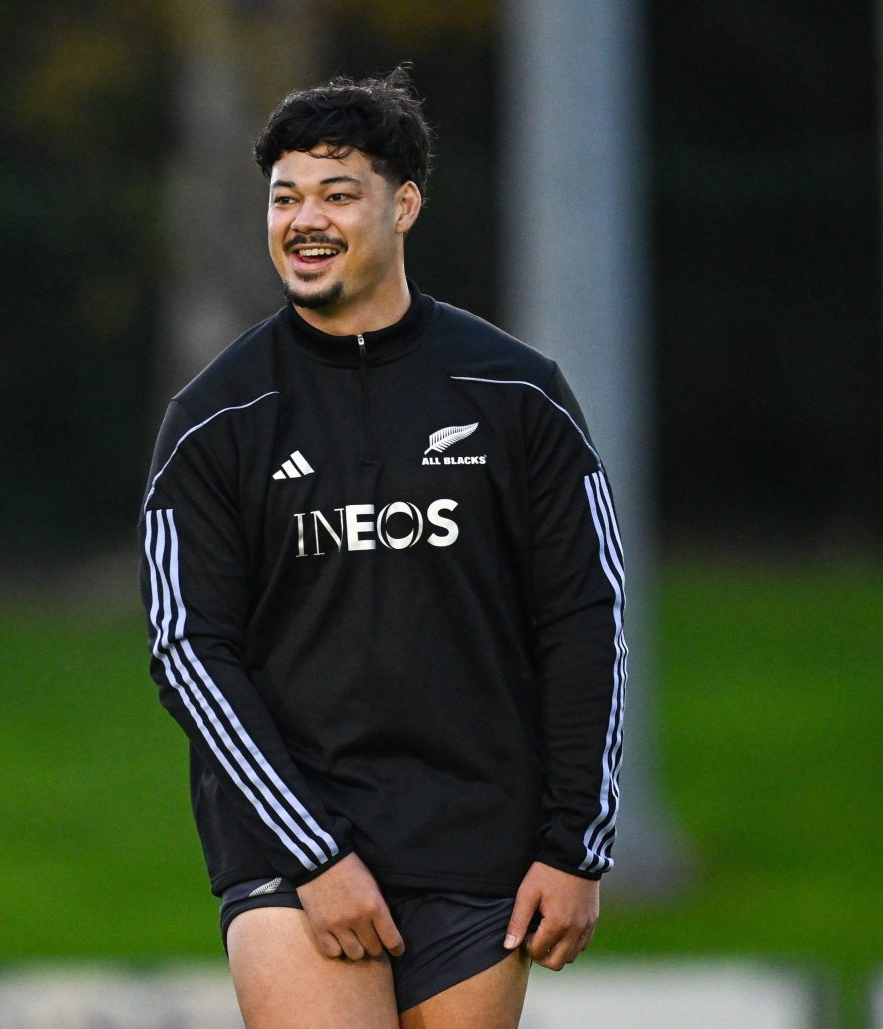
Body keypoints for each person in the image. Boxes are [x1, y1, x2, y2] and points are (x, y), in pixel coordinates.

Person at [137, 66, 627, 1029]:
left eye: (337, 193)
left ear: (403, 205)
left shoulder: (517, 395)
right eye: (285, 197)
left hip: (475, 844)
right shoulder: (216, 419)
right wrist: (313, 851)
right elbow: (188, 650)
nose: (304, 219)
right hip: (292, 851)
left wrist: (575, 845)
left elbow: (585, 619)